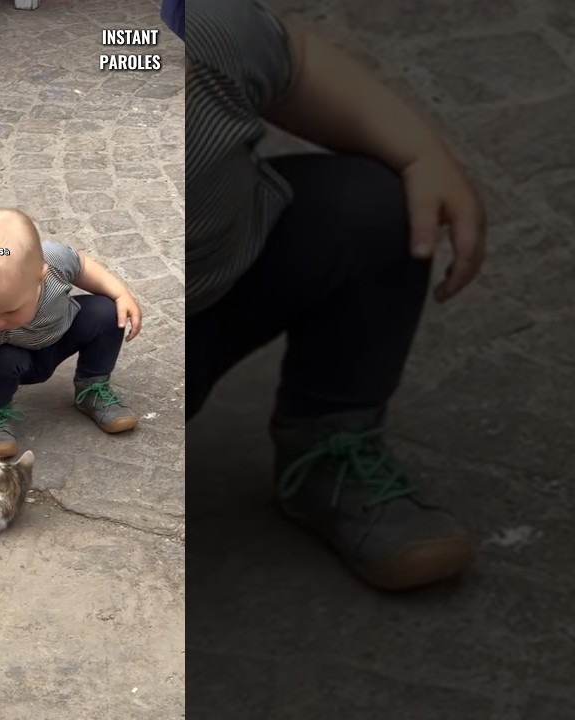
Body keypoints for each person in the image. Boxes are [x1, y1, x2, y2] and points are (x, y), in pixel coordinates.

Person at [186, 1, 489, 591]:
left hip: (217, 288)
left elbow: (293, 62)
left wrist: (422, 154)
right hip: (80, 355)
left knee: (375, 209)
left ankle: (328, 449)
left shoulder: (190, 30)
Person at [0, 208, 144, 491]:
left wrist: (120, 293)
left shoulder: (52, 259)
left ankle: (92, 388)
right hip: (17, 359)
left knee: (107, 311)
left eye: (8, 311)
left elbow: (83, 266)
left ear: (40, 276)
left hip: (61, 334)